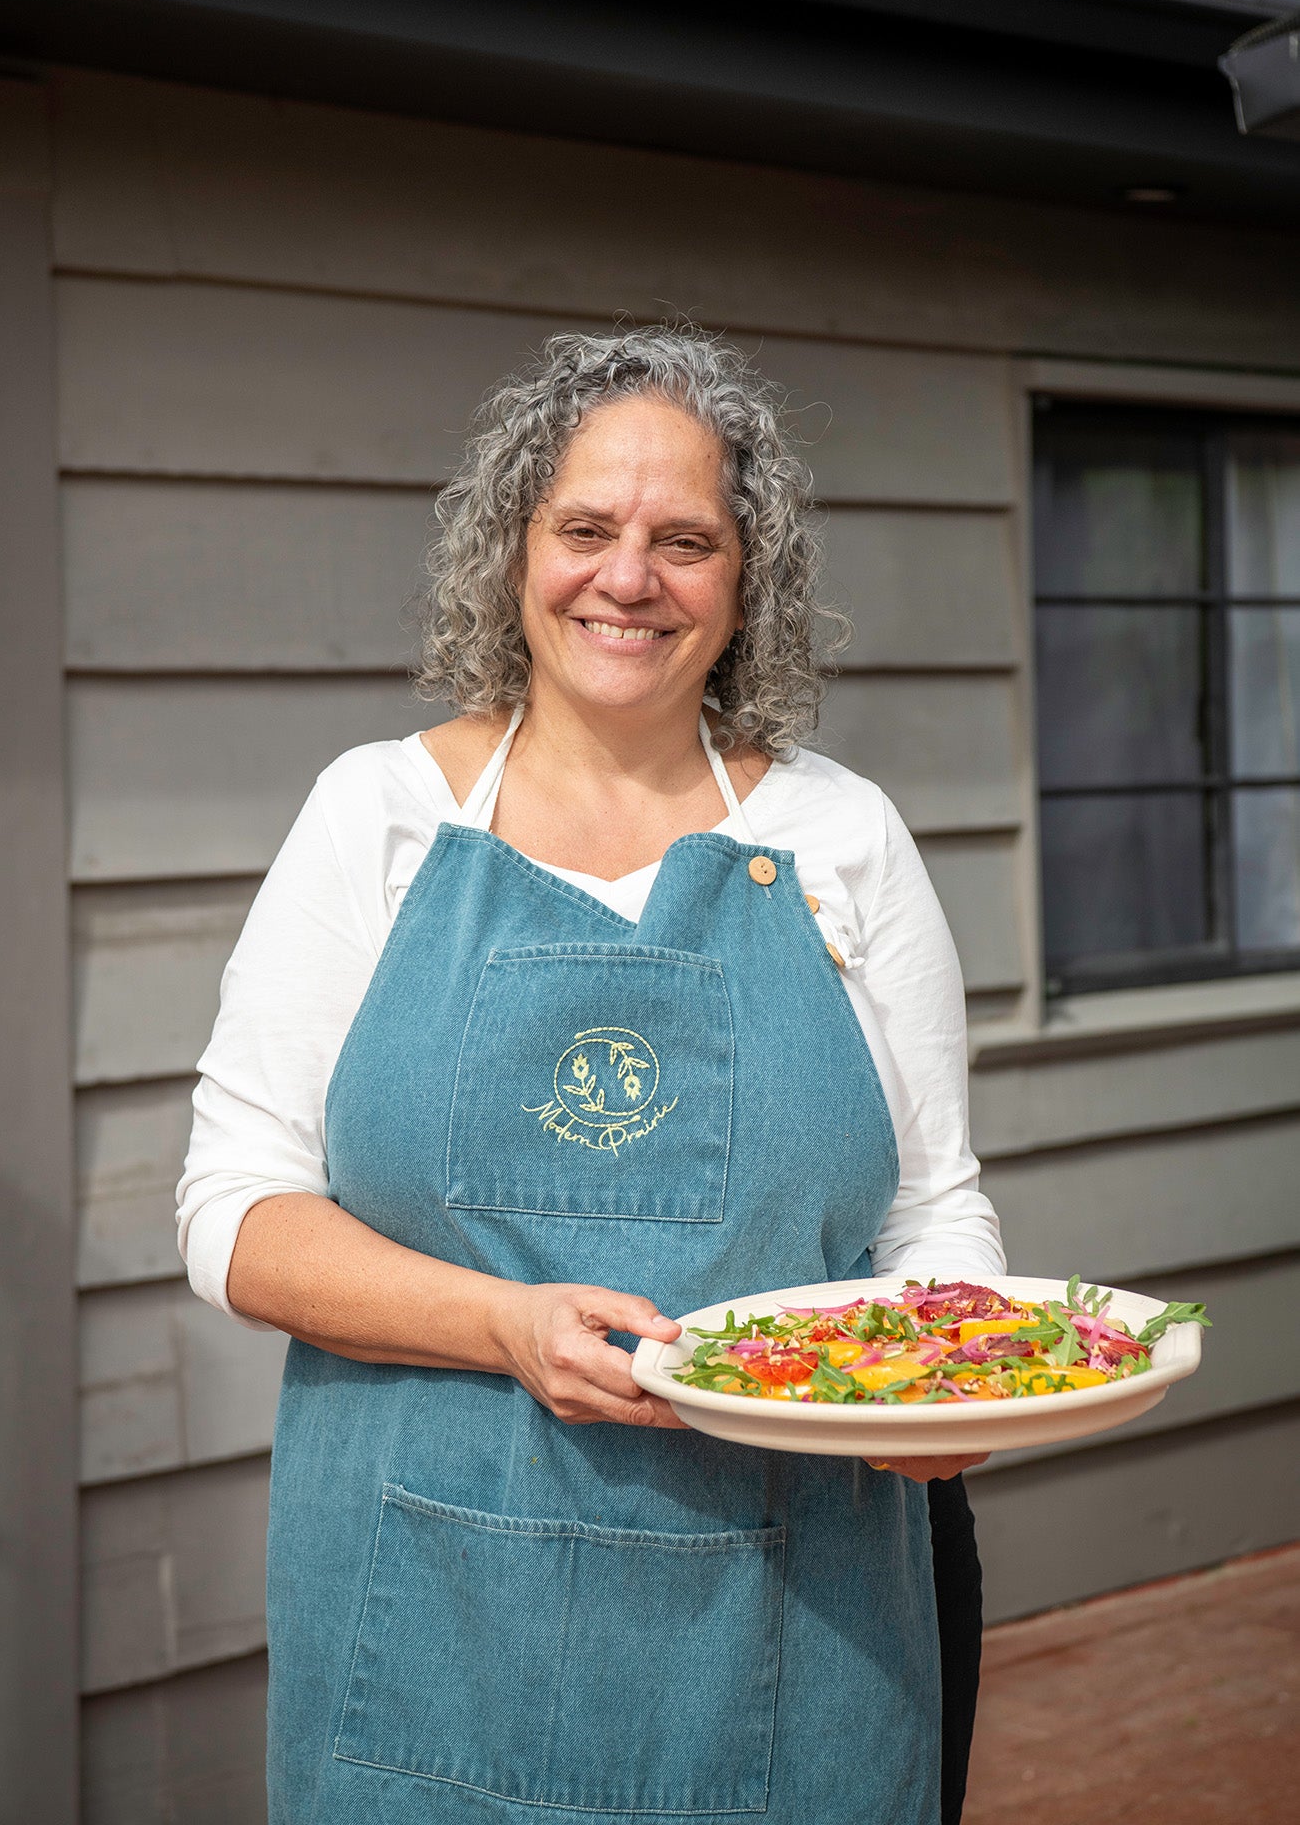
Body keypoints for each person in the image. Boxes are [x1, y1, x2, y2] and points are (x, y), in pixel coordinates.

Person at [179, 325, 1003, 1825]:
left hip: (797, 1615)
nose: (629, 579)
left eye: (685, 541)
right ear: (514, 552)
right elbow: (235, 1214)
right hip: (425, 1619)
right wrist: (503, 1325)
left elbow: (931, 1212)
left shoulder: (843, 835)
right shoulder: (377, 815)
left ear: (746, 582)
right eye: (585, 530)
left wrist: (948, 1390)